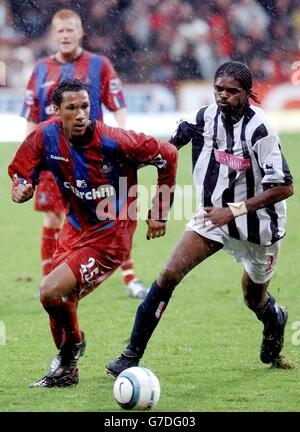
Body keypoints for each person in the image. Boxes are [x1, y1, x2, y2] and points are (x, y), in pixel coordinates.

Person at [106, 61, 294, 378]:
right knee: (168, 275)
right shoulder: (203, 118)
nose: (223, 96)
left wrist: (232, 211)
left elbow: (284, 186)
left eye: (232, 91)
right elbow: (166, 150)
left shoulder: (260, 130)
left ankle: (273, 317)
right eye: (218, 89)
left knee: (253, 298)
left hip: (259, 226)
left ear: (248, 93)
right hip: (212, 217)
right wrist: (133, 166)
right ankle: (130, 355)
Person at [8, 78, 177, 387]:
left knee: (49, 292)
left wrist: (160, 212)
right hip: (73, 230)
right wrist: (21, 187)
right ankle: (67, 371)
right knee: (60, 300)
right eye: (72, 108)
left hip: (110, 236)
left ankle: (72, 346)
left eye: (85, 106)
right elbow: (21, 173)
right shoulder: (44, 137)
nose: (81, 114)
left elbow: (168, 154)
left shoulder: (116, 141)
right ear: (57, 111)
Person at [21, 8, 148, 299]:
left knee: (111, 217)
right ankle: (51, 282)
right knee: (53, 219)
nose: (65, 36)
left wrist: (120, 142)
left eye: (71, 30)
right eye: (60, 31)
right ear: (53, 35)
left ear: (81, 32)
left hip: (94, 160)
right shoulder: (40, 69)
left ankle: (130, 279)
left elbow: (118, 105)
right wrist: (32, 158)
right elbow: (31, 115)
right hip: (54, 160)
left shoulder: (99, 64)